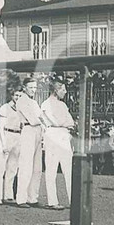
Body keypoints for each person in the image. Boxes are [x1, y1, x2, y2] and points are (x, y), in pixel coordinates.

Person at [40, 80, 75, 210]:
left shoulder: (63, 105)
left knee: (69, 170)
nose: (65, 92)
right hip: (52, 137)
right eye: (63, 89)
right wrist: (62, 123)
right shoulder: (45, 104)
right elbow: (51, 121)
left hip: (64, 137)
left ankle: (73, 201)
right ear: (56, 90)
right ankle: (52, 201)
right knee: (51, 170)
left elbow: (70, 121)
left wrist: (63, 123)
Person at [14, 77, 44, 207]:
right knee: (26, 165)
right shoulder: (21, 101)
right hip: (28, 130)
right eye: (31, 87)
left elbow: (42, 118)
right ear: (24, 87)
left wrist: (42, 121)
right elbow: (34, 119)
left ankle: (33, 197)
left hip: (38, 132)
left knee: (37, 167)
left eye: (35, 87)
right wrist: (42, 120)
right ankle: (21, 198)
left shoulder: (34, 102)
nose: (33, 90)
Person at [0, 88, 23, 205]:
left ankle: (8, 195)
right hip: (5, 136)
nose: (18, 98)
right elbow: (1, 127)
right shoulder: (5, 108)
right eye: (16, 95)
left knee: (13, 169)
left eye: (20, 95)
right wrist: (4, 143)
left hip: (17, 137)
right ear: (12, 95)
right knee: (0, 169)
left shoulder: (22, 109)